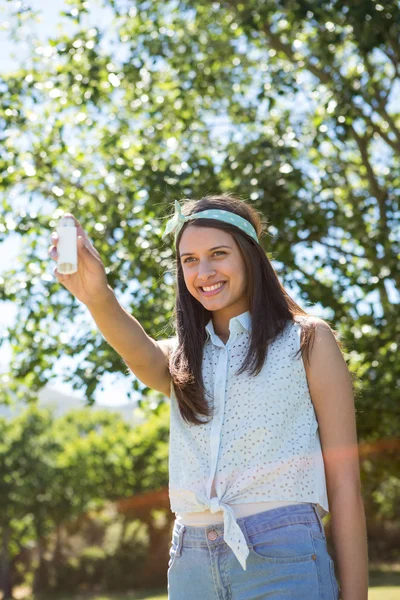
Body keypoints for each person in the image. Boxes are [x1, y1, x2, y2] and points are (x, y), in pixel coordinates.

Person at [49, 194, 368, 599]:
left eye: (219, 253)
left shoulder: (307, 340)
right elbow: (137, 350)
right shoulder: (183, 357)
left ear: (250, 256)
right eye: (189, 260)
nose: (204, 271)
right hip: (191, 562)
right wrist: (96, 295)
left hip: (284, 555)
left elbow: (345, 484)